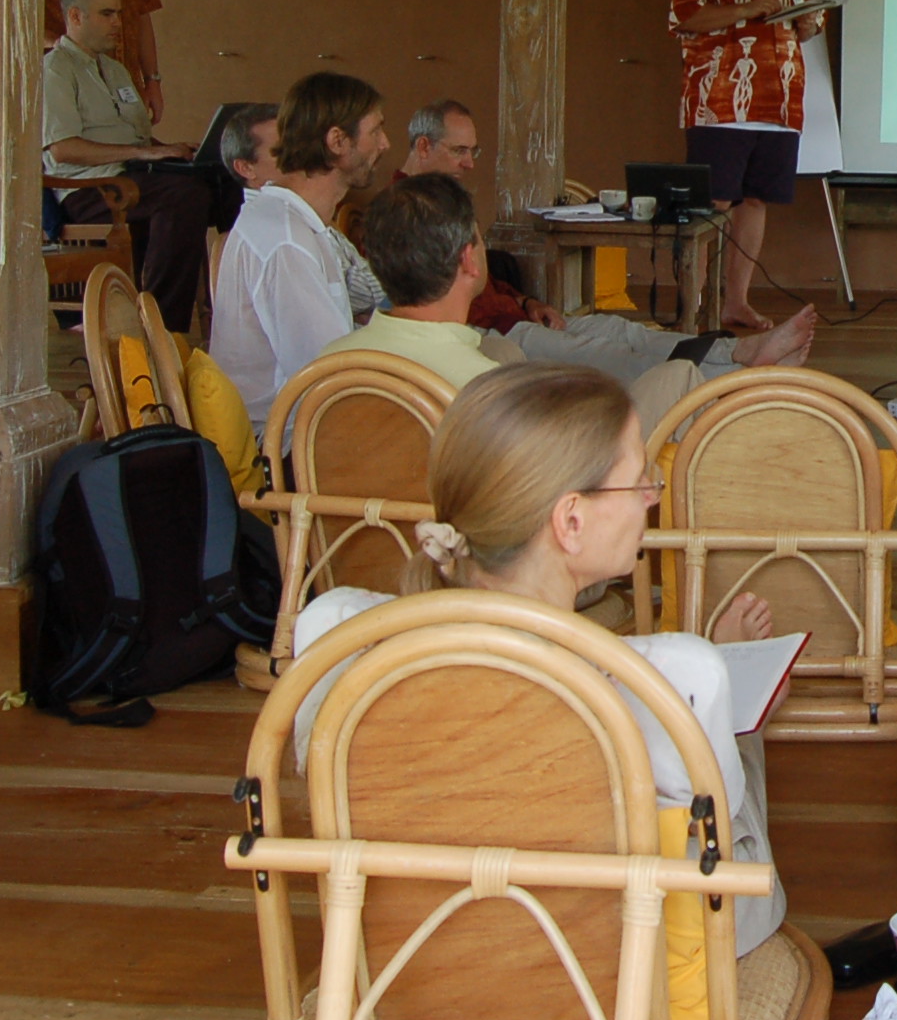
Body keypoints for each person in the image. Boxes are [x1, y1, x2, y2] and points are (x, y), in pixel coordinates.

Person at [288, 364, 791, 954]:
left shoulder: (335, 633)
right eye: (638, 481)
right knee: (732, 754)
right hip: (606, 961)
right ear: (571, 521)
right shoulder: (679, 679)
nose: (653, 496)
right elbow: (719, 851)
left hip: (420, 957)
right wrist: (729, 681)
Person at [386, 100, 813, 385]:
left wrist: (527, 301)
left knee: (620, 329)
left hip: (515, 315)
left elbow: (482, 276)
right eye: (460, 151)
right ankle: (738, 375)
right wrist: (512, 314)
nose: (469, 163)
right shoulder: (401, 212)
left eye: (474, 151)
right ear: (423, 146)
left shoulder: (441, 200)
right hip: (491, 331)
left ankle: (738, 349)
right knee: (607, 353)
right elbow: (430, 295)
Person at [330, 173, 807, 423]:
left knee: (638, 355)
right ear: (471, 262)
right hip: (496, 578)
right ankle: (745, 402)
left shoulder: (328, 370)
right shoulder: (492, 388)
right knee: (672, 377)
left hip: (357, 576)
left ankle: (737, 378)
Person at [669, 0, 824, 331]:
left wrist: (809, 22)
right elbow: (683, 17)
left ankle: (735, 302)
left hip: (779, 102)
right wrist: (746, 9)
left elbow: (809, 25)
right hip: (720, 102)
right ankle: (690, 305)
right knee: (712, 202)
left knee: (755, 201)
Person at [42, 0, 214, 331]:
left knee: (224, 182)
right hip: (87, 188)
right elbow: (62, 149)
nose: (118, 23)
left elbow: (136, 138)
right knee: (183, 197)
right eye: (107, 14)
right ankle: (165, 328)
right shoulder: (56, 69)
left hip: (134, 174)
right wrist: (143, 153)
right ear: (75, 16)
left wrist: (170, 151)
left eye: (119, 13)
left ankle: (240, 315)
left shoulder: (117, 70)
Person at [213, 73, 388, 422]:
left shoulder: (293, 222)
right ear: (338, 141)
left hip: (307, 419)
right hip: (283, 441)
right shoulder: (286, 241)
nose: (384, 144)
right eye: (375, 131)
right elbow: (329, 377)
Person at [226, 101, 384, 325]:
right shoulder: (282, 236)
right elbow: (323, 351)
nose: (297, 159)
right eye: (281, 152)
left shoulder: (298, 214)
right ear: (245, 168)